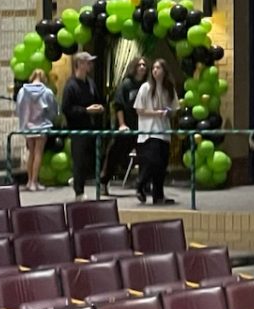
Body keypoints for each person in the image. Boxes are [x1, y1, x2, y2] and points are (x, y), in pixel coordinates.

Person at [61, 51, 105, 201]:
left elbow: (98, 99)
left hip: (91, 127)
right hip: (78, 128)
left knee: (88, 160)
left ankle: (78, 180)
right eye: (87, 62)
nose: (90, 65)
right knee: (79, 159)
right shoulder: (71, 86)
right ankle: (79, 192)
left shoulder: (90, 83)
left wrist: (99, 108)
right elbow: (66, 109)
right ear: (79, 64)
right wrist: (86, 111)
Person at [133, 58, 177, 206]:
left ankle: (158, 195)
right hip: (149, 131)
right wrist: (155, 113)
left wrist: (167, 112)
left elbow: (174, 109)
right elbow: (139, 110)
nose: (155, 71)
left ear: (164, 71)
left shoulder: (168, 89)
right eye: (154, 68)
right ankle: (140, 183)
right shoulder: (145, 88)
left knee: (161, 165)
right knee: (153, 160)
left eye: (158, 68)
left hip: (163, 131)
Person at [103, 57, 147, 196]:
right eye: (139, 64)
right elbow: (118, 105)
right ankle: (104, 181)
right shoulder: (126, 84)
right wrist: (122, 124)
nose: (142, 67)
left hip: (142, 128)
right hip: (127, 127)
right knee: (115, 155)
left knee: (146, 156)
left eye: (144, 65)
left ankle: (144, 185)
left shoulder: (147, 86)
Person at [15, 69, 57, 192]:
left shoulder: (23, 91)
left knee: (31, 153)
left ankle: (29, 181)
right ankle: (35, 181)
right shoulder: (47, 92)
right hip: (42, 125)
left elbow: (18, 108)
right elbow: (53, 110)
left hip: (28, 126)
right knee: (39, 153)